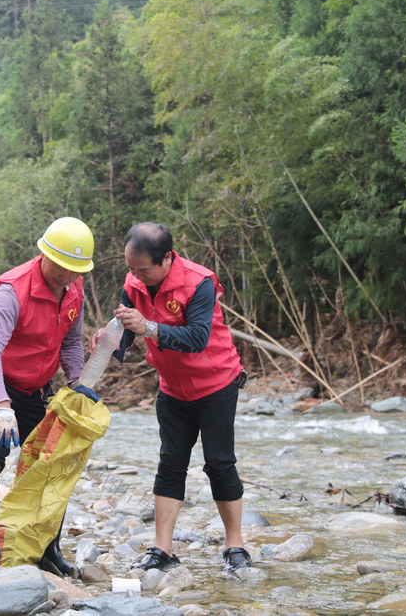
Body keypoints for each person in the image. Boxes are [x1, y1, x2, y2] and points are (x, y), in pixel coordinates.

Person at [90, 222, 252, 574]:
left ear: (167, 258)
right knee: (170, 463)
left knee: (219, 463)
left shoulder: (199, 282)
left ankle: (235, 545)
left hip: (215, 384)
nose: (135, 276)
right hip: (172, 387)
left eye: (142, 269)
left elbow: (195, 338)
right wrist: (109, 338)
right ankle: (162, 549)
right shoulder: (134, 283)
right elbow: (126, 336)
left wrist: (145, 326)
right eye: (130, 268)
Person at [0, 216, 101, 576]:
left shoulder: (73, 289)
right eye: (61, 267)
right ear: (44, 254)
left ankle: (47, 548)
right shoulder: (12, 289)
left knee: (54, 456)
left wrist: (76, 383)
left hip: (36, 384)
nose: (67, 276)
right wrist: (1, 405)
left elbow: (70, 341)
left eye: (74, 270)